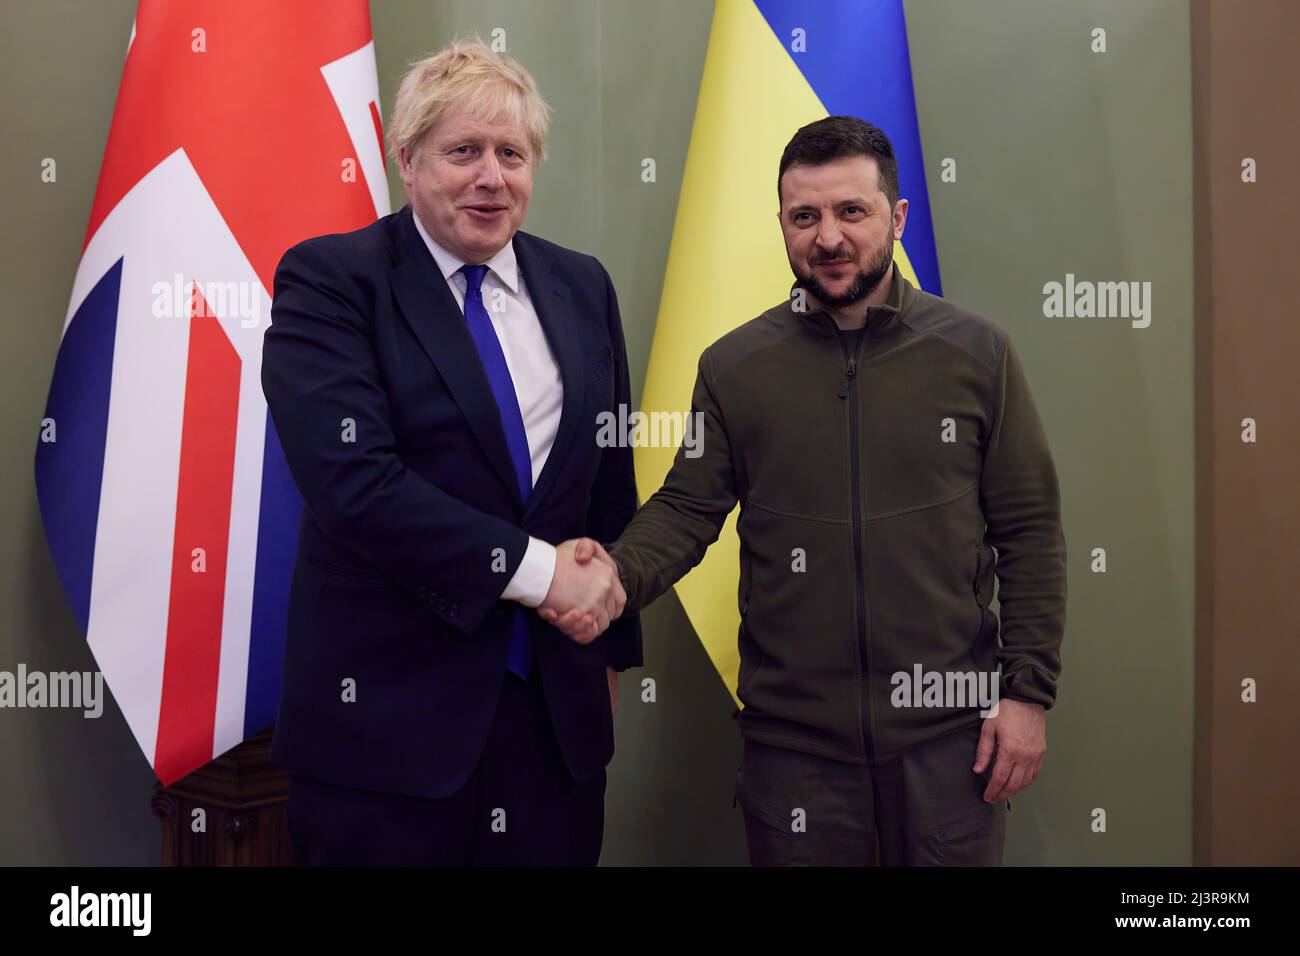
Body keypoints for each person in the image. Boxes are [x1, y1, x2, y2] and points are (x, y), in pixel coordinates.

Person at [545, 116, 1067, 866]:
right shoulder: (735, 367)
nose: (828, 238)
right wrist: (612, 579)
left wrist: (1027, 696)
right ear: (783, 223)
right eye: (805, 216)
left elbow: (1031, 534)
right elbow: (688, 509)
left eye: (851, 212)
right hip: (794, 754)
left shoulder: (977, 354)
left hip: (949, 742)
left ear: (897, 216)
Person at [262, 38, 638, 866]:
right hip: (387, 734)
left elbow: (609, 478)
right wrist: (546, 576)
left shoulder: (583, 286)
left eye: (512, 154)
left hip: (554, 725)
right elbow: (353, 485)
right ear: (407, 160)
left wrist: (608, 639)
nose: (490, 177)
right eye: (463, 151)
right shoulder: (331, 281)